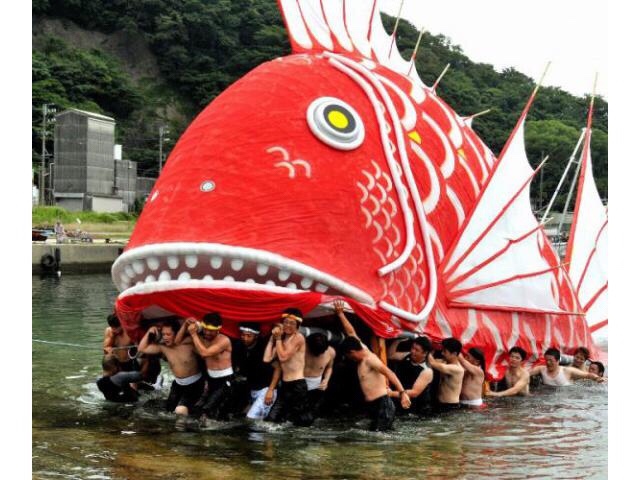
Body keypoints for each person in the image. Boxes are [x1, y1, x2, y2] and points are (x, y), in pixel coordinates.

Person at [335, 299, 410, 431]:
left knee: (378, 441)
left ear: (352, 352)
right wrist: (340, 314)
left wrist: (403, 393)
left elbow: (389, 373)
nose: (351, 360)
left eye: (349, 356)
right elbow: (351, 333)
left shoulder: (370, 359)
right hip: (375, 405)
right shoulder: (362, 348)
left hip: (383, 404)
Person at [138, 320, 204, 415]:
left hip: (195, 384)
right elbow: (142, 348)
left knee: (180, 411)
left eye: (168, 334)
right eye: (163, 334)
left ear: (177, 334)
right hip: (178, 384)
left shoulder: (188, 343)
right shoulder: (163, 348)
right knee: (168, 411)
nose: (165, 337)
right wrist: (150, 331)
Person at [264, 308, 314, 426]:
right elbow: (266, 359)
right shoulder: (281, 340)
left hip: (297, 385)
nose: (288, 325)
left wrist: (278, 339)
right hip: (285, 385)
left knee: (301, 422)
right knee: (271, 419)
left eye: (292, 323)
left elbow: (283, 357)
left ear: (298, 325)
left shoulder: (298, 337)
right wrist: (272, 338)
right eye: (285, 322)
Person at [182, 313, 234, 421]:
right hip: (211, 379)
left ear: (218, 330)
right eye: (205, 329)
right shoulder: (203, 337)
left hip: (225, 380)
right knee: (197, 410)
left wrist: (194, 334)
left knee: (208, 411)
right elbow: (178, 341)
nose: (207, 333)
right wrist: (187, 325)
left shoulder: (224, 340)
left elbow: (204, 353)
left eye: (211, 331)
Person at [232, 322, 281, 420]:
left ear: (256, 336)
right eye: (243, 335)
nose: (245, 338)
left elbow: (278, 368)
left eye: (249, 336)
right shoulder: (239, 346)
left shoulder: (264, 347)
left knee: (251, 418)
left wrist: (270, 391)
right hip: (251, 390)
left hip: (266, 390)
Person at [387, 336, 433, 414]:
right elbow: (390, 355)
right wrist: (397, 340)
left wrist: (391, 393)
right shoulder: (407, 355)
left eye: (416, 350)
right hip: (400, 399)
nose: (412, 351)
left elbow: (414, 393)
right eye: (412, 348)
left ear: (425, 353)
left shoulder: (427, 371)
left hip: (417, 410)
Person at [529, 348, 605, 386]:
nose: (578, 360)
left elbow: (589, 375)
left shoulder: (584, 370)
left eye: (581, 359)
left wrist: (597, 378)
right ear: (573, 356)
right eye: (577, 357)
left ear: (585, 360)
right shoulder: (568, 367)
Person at [427, 337, 465, 412]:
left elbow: (432, 363)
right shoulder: (444, 362)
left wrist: (426, 345)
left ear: (454, 354)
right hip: (440, 403)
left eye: (445, 351)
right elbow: (431, 361)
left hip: (450, 407)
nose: (442, 353)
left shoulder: (457, 369)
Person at [304, 332, 336, 415]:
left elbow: (329, 367)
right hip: (299, 383)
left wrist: (326, 380)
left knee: (310, 416)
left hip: (317, 387)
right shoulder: (302, 348)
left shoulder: (331, 352)